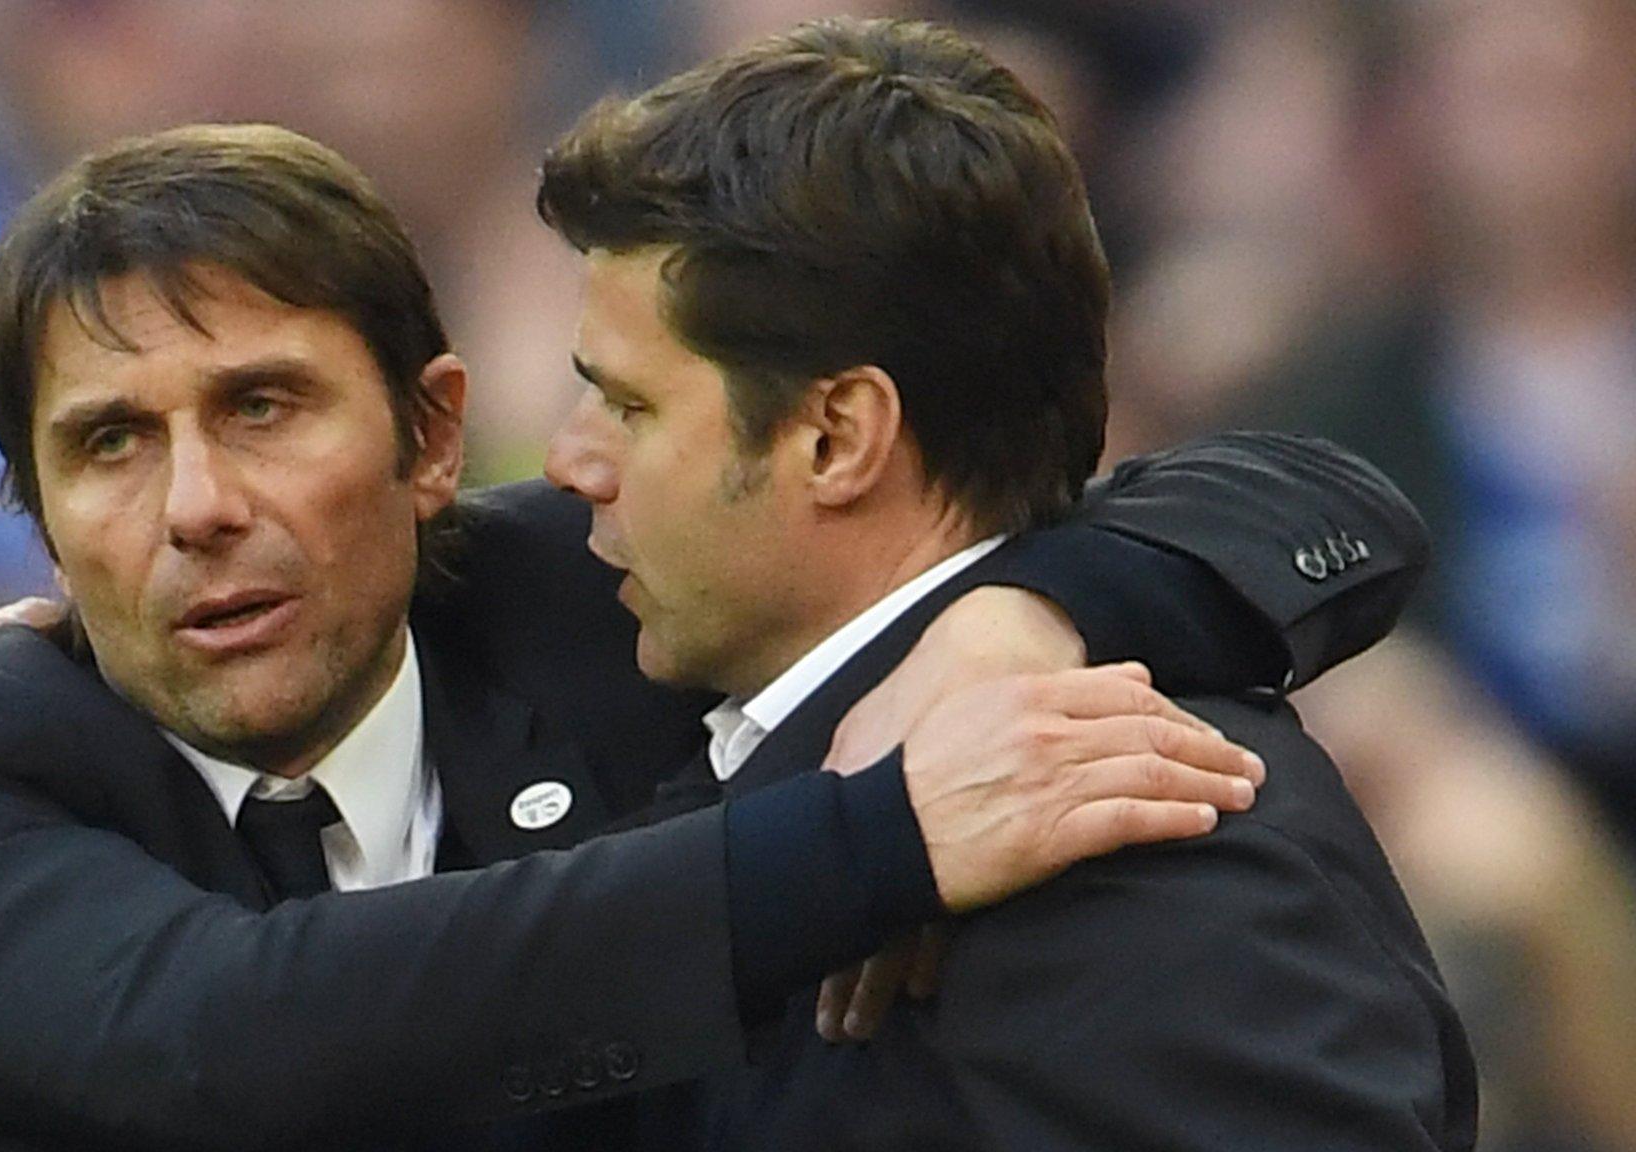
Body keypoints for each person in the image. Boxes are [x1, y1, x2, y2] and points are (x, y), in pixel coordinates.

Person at [0, 116, 1423, 1152]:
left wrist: (1019, 615)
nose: (194, 504)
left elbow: (1280, 497)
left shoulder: (600, 599)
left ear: (427, 442)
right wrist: (879, 838)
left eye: (261, 407)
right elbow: (238, 1034)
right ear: (32, 511)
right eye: (107, 443)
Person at [530, 16, 1474, 1150]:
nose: (565, 462)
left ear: (836, 437)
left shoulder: (1135, 842)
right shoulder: (694, 695)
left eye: (628, 404)